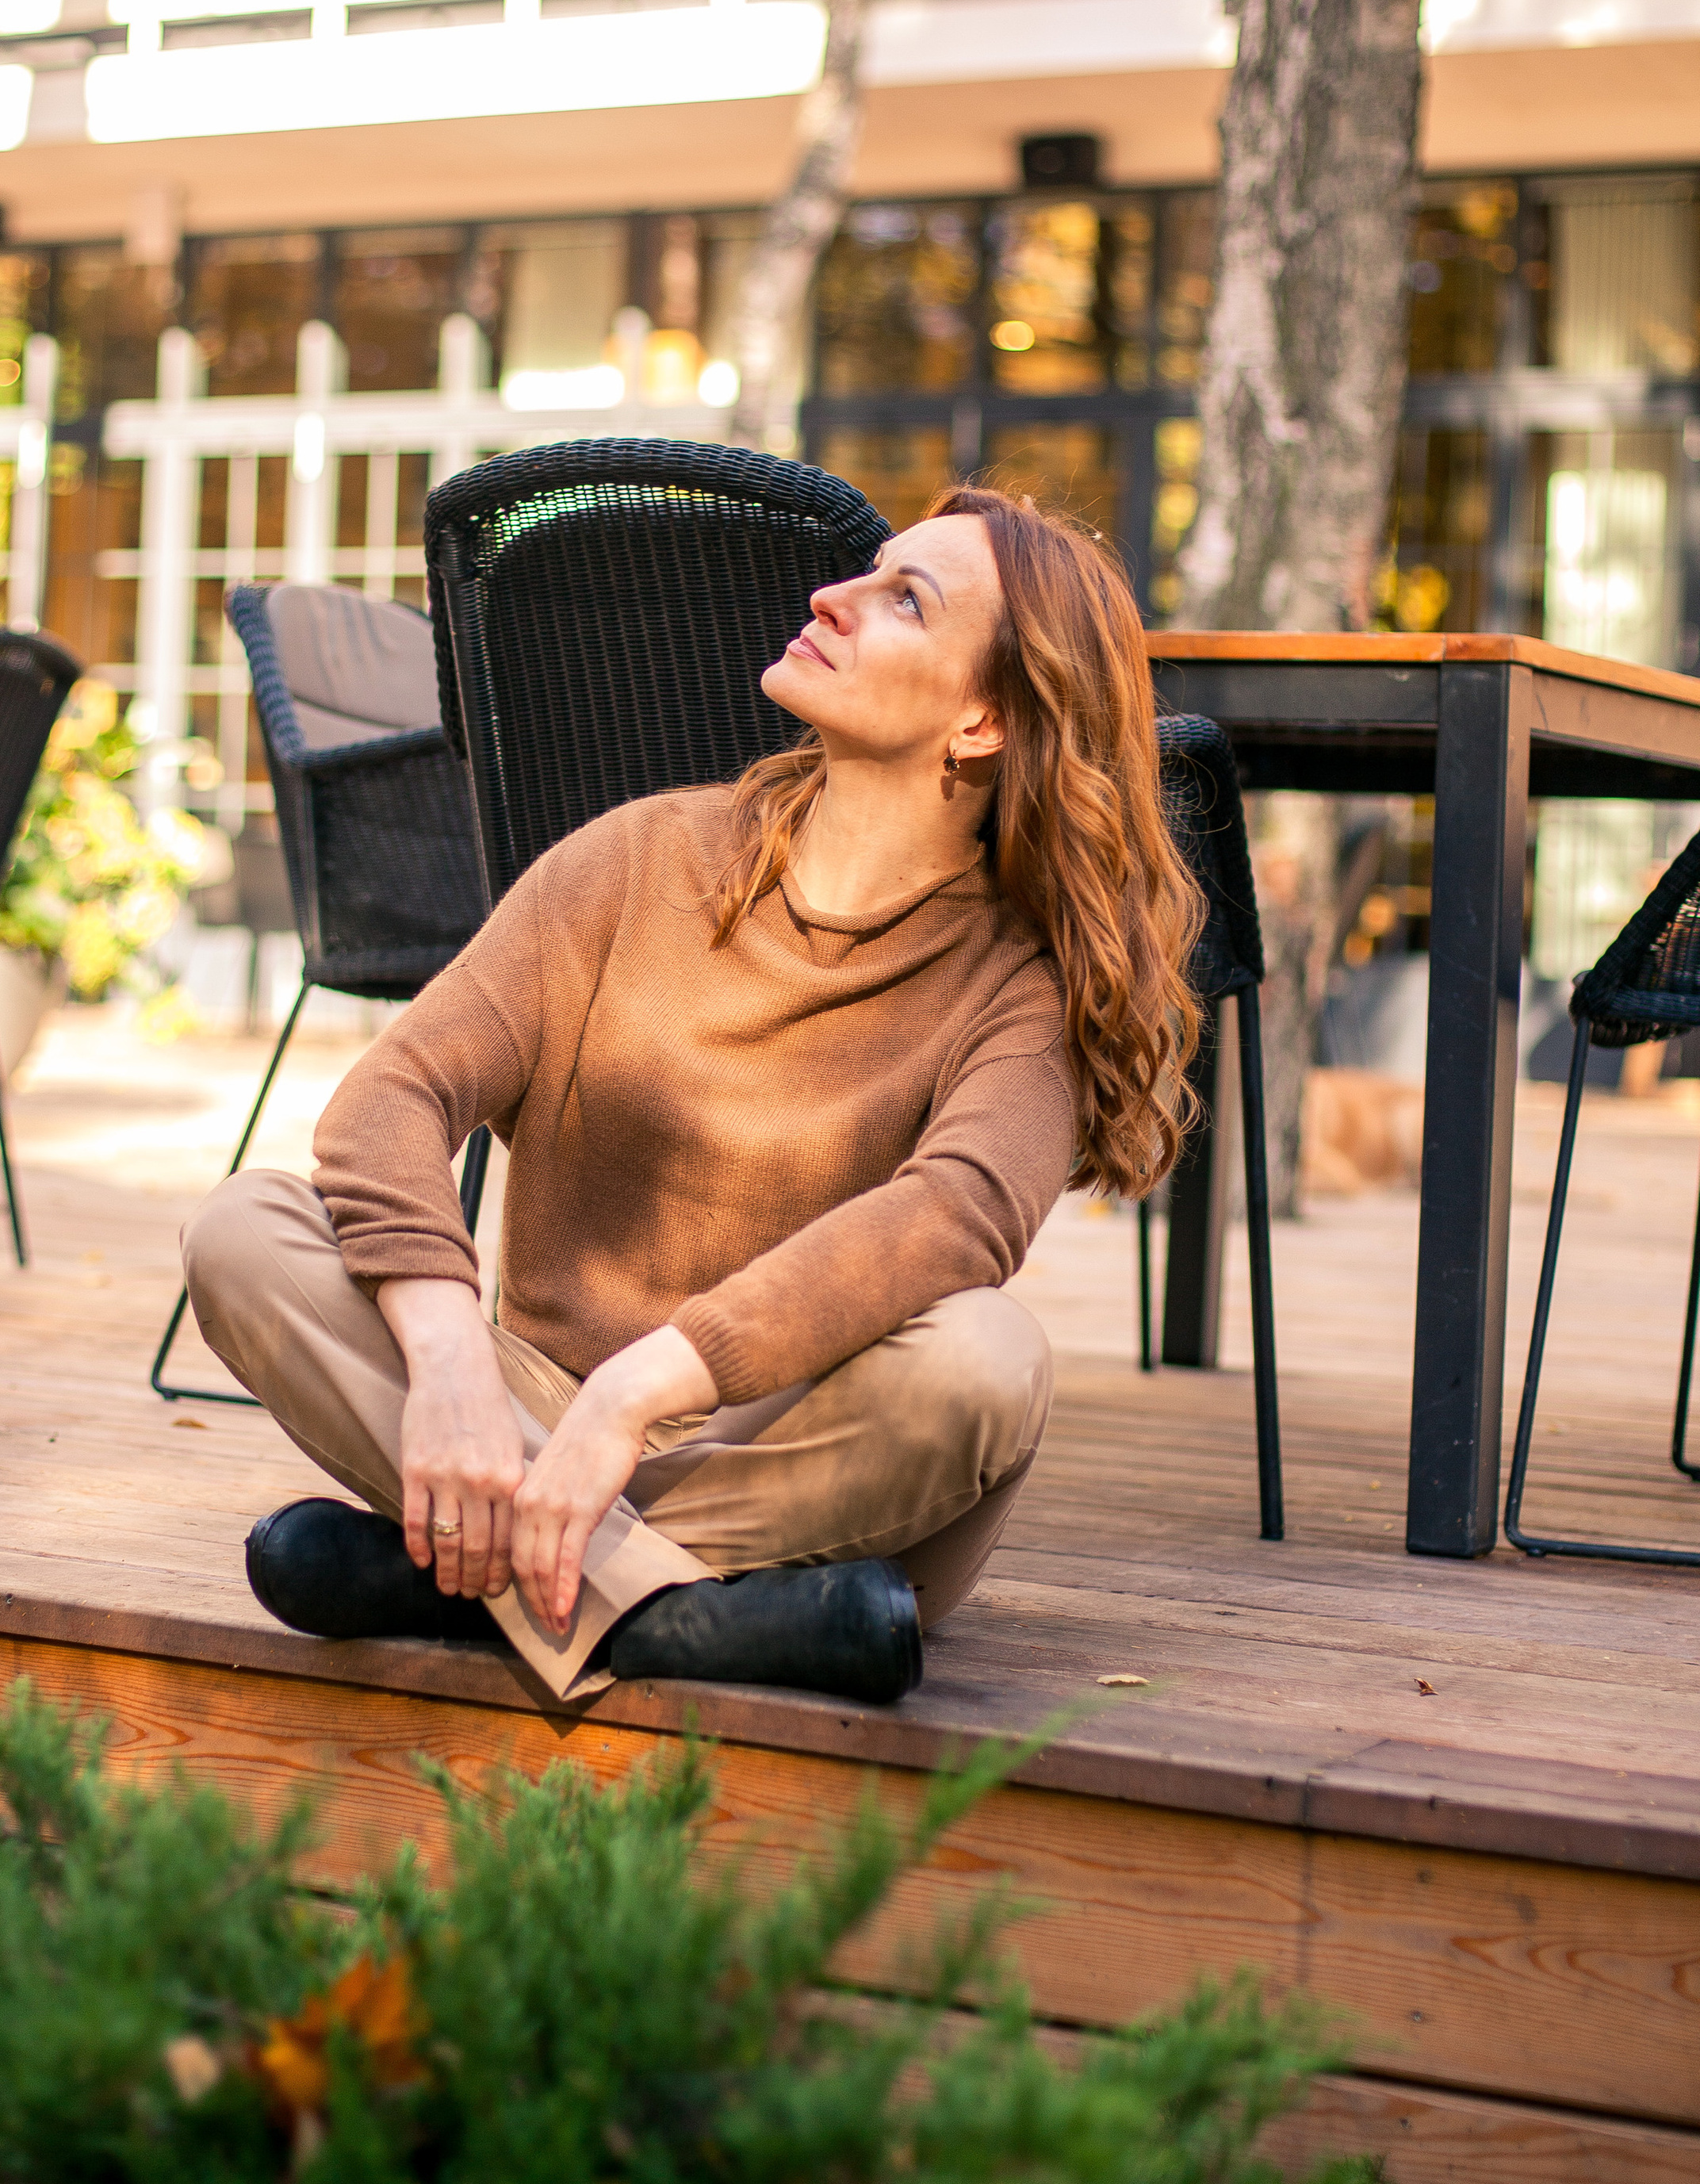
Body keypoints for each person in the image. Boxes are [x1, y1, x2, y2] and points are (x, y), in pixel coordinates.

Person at [182, 487, 1200, 1707]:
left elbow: (954, 1219)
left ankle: (470, 1575)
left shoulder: (1015, 982)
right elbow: (392, 1097)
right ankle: (694, 1618)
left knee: (987, 1363)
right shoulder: (642, 858)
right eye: (865, 573)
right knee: (243, 1231)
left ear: (981, 721)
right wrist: (451, 1356)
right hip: (534, 1416)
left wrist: (636, 1392)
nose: (833, 597)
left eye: (903, 600)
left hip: (796, 1455)